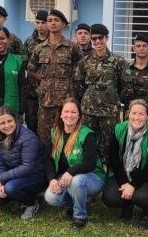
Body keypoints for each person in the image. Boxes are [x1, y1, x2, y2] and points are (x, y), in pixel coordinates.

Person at [102, 99, 148, 229]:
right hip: (125, 173)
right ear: (128, 114)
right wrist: (124, 182)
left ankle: (147, 213)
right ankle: (127, 205)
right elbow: (114, 159)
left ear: (147, 116)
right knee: (109, 198)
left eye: (141, 114)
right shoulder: (119, 128)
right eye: (134, 113)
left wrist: (133, 185)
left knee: (144, 197)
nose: (137, 117)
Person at [44, 98, 105, 229]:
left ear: (79, 115)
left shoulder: (87, 134)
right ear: (60, 114)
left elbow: (90, 163)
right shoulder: (56, 133)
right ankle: (79, 201)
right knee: (50, 197)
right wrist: (52, 180)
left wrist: (70, 172)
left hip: (92, 177)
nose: (69, 115)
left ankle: (79, 216)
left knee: (76, 181)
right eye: (66, 111)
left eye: (73, 112)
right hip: (68, 178)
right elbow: (48, 159)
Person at [27, 9, 82, 148]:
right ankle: (46, 169)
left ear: (63, 24)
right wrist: (41, 79)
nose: (52, 23)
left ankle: (64, 168)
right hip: (45, 102)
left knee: (66, 137)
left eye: (56, 20)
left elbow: (81, 69)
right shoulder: (39, 48)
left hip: (66, 103)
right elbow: (30, 69)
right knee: (44, 139)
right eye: (49, 20)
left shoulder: (72, 47)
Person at [74, 23, 127, 161]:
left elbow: (124, 87)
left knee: (109, 147)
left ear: (107, 38)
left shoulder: (118, 61)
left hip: (109, 113)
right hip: (89, 112)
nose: (97, 41)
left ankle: (108, 176)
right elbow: (78, 85)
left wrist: (114, 102)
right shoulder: (84, 61)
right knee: (88, 145)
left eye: (100, 38)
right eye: (94, 38)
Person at [0, 106, 46, 220]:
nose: (7, 125)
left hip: (36, 176)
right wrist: (1, 182)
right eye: (2, 123)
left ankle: (32, 203)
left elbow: (27, 167)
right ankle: (19, 199)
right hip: (14, 177)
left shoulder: (28, 138)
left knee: (10, 188)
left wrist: (2, 179)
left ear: (15, 119)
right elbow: (0, 164)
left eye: (9, 121)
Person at [120, 34, 148, 122]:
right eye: (138, 46)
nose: (141, 48)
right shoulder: (125, 69)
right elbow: (119, 91)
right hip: (130, 116)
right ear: (134, 49)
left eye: (144, 46)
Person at [22, 10, 49, 135]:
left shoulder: (54, 41)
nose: (40, 25)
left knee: (49, 127)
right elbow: (25, 65)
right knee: (31, 124)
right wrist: (36, 76)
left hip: (50, 92)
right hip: (32, 92)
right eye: (37, 22)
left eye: (43, 22)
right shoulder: (29, 42)